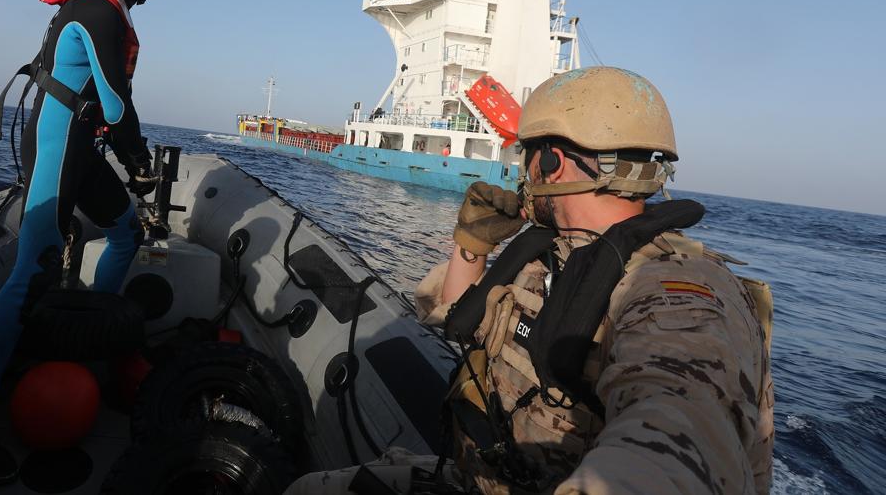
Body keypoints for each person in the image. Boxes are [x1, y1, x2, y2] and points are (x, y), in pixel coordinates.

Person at [288, 66, 774, 494]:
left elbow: (678, 430)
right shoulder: (556, 254)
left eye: (529, 156)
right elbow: (462, 316)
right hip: (480, 473)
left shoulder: (672, 287)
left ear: (550, 162)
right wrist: (472, 245)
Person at [0, 0, 171, 483]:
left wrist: (125, 162)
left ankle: (90, 339)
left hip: (85, 148)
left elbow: (108, 107)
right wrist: (141, 164)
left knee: (125, 233)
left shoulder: (107, 8)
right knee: (31, 271)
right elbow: (116, 102)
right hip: (57, 147)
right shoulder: (97, 10)